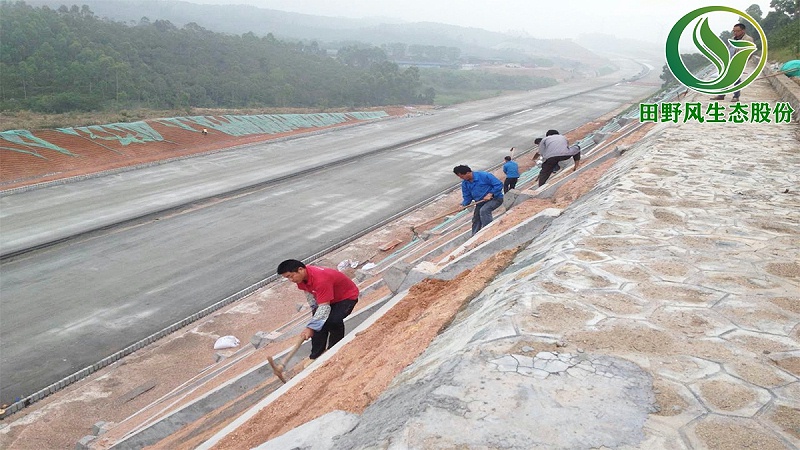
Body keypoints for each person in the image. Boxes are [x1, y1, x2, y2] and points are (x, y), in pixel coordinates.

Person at [277, 259, 359, 360]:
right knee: (318, 326)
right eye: (287, 278)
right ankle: (315, 356)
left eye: (291, 276)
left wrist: (311, 327)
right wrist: (313, 325)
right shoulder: (301, 279)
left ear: (300, 269)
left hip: (346, 297)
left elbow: (324, 307)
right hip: (330, 299)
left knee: (333, 321)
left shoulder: (321, 279)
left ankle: (334, 349)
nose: (291, 280)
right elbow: (312, 301)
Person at [453, 165, 504, 235]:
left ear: (468, 173)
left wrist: (491, 193)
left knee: (484, 210)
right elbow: (467, 197)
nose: (461, 178)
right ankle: (474, 236)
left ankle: (489, 231)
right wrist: (463, 205)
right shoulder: (465, 184)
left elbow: (498, 184)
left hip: (495, 199)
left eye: (462, 176)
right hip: (480, 202)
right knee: (476, 218)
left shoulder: (484, 176)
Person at [711, 23, 755, 102]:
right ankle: (721, 95)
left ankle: (736, 96)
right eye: (734, 31)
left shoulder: (747, 39)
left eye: (737, 31)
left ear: (743, 30)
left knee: (736, 79)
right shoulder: (733, 38)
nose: (735, 33)